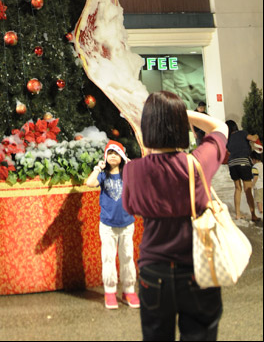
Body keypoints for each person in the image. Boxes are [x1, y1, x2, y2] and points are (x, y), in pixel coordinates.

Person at [122, 91, 229, 341]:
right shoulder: (198, 163)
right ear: (181, 126)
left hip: (153, 271)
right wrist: (181, 115)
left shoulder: (133, 171)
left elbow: (130, 207)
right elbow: (220, 127)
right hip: (197, 267)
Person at [85, 139, 140, 309]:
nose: (113, 157)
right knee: (108, 257)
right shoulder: (102, 174)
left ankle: (129, 290)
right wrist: (97, 168)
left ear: (122, 156)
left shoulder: (127, 173)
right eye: (110, 153)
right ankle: (110, 292)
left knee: (127, 257)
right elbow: (90, 183)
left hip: (126, 223)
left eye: (116, 153)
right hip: (107, 225)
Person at [225, 119, 261, 222]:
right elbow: (253, 138)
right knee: (247, 189)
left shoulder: (229, 139)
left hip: (232, 163)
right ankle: (253, 215)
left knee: (238, 188)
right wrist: (256, 136)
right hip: (243, 162)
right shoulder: (242, 133)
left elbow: (228, 151)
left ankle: (238, 214)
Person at [250, 150, 262, 216]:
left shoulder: (255, 167)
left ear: (254, 159)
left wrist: (252, 184)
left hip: (259, 186)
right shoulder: (262, 165)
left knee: (259, 200)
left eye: (251, 160)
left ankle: (261, 212)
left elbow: (256, 177)